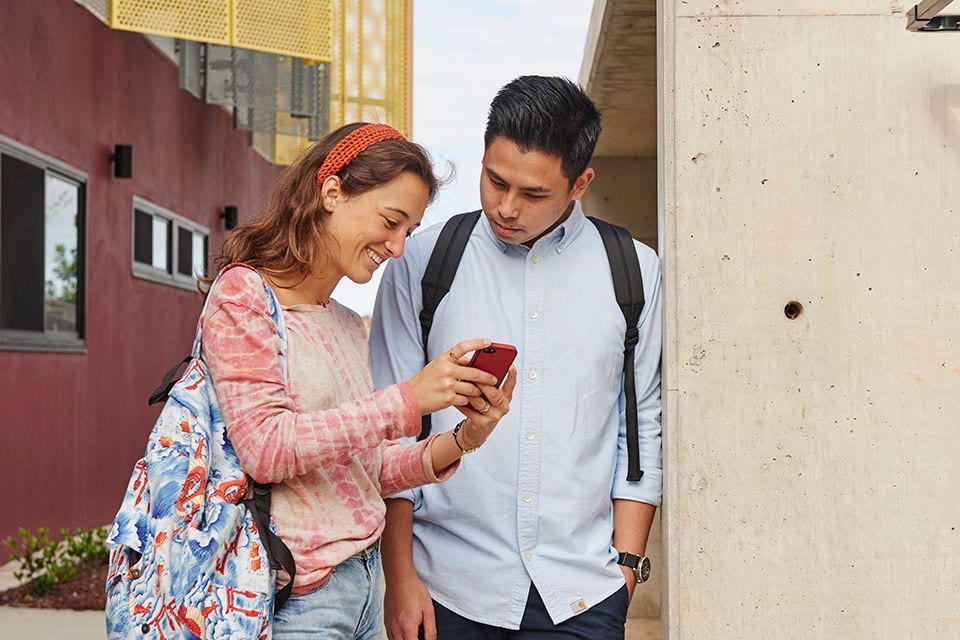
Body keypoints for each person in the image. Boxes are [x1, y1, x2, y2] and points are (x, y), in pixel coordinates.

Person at [369, 76, 663, 639]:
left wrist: (626, 567)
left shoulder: (634, 270)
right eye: (494, 180)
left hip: (584, 591)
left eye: (533, 194)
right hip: (446, 588)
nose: (505, 208)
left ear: (581, 183)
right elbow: (393, 430)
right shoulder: (423, 261)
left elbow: (640, 424)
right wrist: (400, 575)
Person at [200, 122, 517, 640]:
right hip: (296, 596)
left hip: (366, 590)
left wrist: (463, 439)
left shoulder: (347, 323)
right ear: (331, 192)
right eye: (391, 221)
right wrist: (409, 399)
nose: (396, 247)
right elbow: (266, 448)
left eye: (408, 232)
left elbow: (367, 471)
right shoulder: (244, 296)